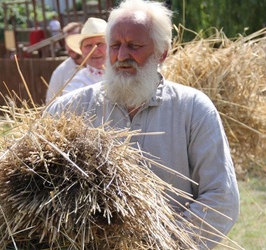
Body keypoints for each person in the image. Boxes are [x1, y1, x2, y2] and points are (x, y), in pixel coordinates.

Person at [47, 0, 239, 248]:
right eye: (115, 45)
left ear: (162, 53)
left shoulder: (193, 109)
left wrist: (167, 245)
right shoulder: (69, 109)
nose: (122, 56)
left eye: (134, 46)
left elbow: (221, 197)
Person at [61, 17, 107, 95]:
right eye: (88, 46)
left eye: (100, 44)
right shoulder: (75, 85)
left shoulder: (127, 75)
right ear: (81, 50)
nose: (95, 51)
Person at [45, 22, 83, 103]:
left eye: (73, 41)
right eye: (67, 42)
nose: (70, 46)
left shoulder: (99, 66)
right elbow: (50, 103)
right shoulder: (60, 72)